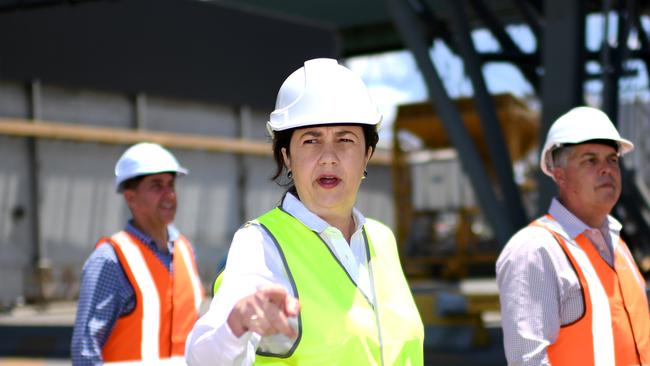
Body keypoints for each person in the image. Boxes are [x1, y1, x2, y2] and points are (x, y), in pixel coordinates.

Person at [185, 58, 424, 365]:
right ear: (286, 156)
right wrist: (238, 322)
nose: (328, 157)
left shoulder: (381, 238)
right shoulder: (261, 244)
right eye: (311, 140)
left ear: (367, 154)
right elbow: (202, 358)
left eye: (345, 139)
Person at [496, 106, 650, 365]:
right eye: (590, 160)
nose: (606, 169)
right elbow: (528, 360)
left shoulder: (618, 245)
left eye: (612, 159)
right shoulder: (536, 250)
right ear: (560, 175)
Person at [71, 142, 204, 365]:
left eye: (171, 184)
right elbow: (85, 349)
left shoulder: (185, 250)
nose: (169, 194)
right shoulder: (109, 260)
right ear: (130, 197)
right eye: (156, 185)